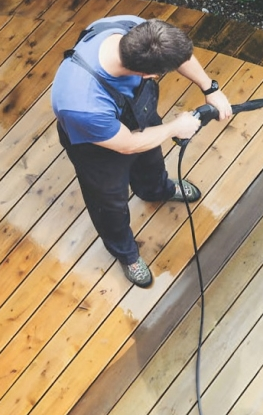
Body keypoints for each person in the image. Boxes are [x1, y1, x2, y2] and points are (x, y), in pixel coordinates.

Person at [51, 16, 232, 287]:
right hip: (97, 147)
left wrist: (210, 88)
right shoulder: (81, 101)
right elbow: (128, 144)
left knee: (151, 161)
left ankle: (157, 190)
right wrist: (175, 128)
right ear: (149, 75)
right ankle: (126, 253)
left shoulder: (136, 31)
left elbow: (179, 55)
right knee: (109, 203)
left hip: (137, 116)